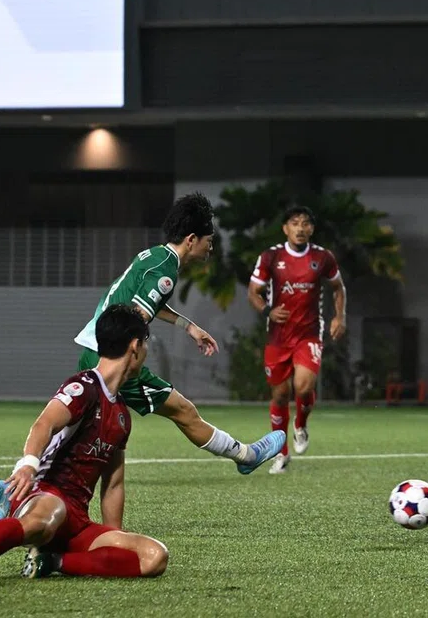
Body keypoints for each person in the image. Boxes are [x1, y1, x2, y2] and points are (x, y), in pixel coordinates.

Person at [0, 305, 174, 582]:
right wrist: (28, 465)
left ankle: (50, 561)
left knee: (154, 556)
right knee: (47, 518)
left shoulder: (122, 416)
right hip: (43, 494)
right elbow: (45, 423)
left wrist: (114, 536)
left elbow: (113, 484)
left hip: (76, 520)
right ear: (135, 346)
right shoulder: (84, 386)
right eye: (146, 343)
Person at [72, 192, 284, 475]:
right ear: (191, 239)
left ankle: (19, 486)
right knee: (182, 411)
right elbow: (136, 319)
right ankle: (247, 456)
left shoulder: (155, 256)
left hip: (95, 353)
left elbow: (145, 303)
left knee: (74, 428)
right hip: (115, 361)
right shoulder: (166, 273)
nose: (211, 248)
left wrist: (189, 327)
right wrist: (133, 362)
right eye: (209, 241)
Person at [247, 206, 347, 474]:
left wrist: (339, 317)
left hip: (309, 333)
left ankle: (300, 425)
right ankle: (281, 453)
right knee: (280, 394)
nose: (300, 228)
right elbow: (254, 292)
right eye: (295, 223)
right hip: (278, 336)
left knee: (304, 387)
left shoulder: (322, 257)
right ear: (285, 228)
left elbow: (338, 287)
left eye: (305, 223)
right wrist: (268, 310)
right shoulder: (271, 257)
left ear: (311, 229)